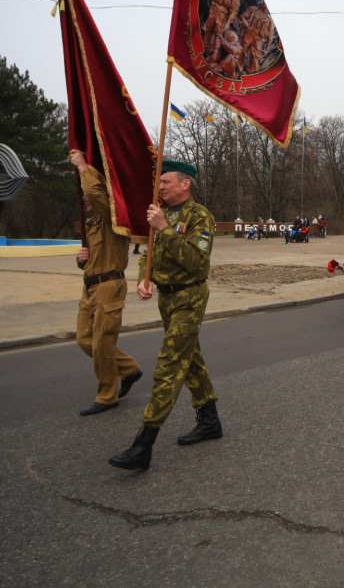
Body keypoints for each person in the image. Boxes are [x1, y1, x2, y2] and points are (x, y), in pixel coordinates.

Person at [109, 159, 221, 470]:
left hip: (189, 297)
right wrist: (145, 280)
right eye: (159, 183)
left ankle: (143, 445)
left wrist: (165, 229)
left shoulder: (199, 217)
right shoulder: (164, 213)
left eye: (166, 182)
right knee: (191, 359)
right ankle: (210, 420)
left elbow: (198, 263)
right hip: (167, 298)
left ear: (185, 184)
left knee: (169, 365)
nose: (160, 187)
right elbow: (151, 253)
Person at [68, 150, 143, 416]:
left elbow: (99, 197)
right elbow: (94, 258)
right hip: (89, 286)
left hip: (110, 286)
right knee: (84, 339)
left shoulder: (116, 218)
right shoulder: (94, 222)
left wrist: (83, 167)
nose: (85, 198)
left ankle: (107, 395)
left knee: (102, 343)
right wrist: (81, 260)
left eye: (89, 193)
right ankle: (129, 370)